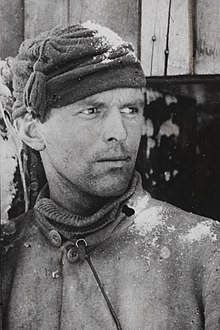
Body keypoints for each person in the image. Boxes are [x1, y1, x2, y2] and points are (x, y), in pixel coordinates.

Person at [1, 22, 219, 330]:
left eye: (131, 110)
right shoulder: (6, 257)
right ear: (33, 131)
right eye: (92, 110)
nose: (119, 133)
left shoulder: (206, 251)